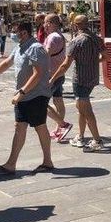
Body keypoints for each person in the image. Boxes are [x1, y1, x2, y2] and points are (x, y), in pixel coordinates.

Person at [0, 21, 54, 175]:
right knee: (19, 127)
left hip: (36, 95)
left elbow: (38, 74)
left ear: (24, 33)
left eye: (15, 31)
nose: (12, 34)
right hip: (23, 96)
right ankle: (11, 164)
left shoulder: (35, 48)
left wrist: (22, 92)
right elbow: (7, 63)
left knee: (40, 127)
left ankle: (48, 161)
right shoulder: (19, 47)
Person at [49, 15, 106, 152]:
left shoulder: (76, 41)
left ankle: (97, 140)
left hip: (80, 79)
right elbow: (106, 56)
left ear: (75, 25)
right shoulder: (97, 39)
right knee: (81, 108)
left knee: (86, 110)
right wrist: (93, 62)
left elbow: (65, 65)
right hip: (92, 78)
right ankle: (80, 136)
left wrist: (52, 79)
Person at [43, 14, 72, 142]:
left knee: (40, 103)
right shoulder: (60, 35)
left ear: (50, 23)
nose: (44, 25)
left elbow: (45, 55)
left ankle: (63, 125)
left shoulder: (52, 37)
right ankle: (58, 130)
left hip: (51, 75)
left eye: (45, 23)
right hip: (59, 74)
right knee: (58, 101)